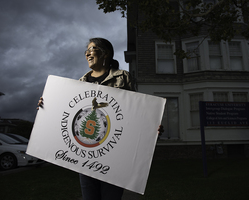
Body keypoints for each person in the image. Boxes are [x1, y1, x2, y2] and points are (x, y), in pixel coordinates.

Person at [37, 37, 163, 200]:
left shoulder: (122, 77)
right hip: (86, 155)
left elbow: (136, 113)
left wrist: (150, 127)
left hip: (114, 156)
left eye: (92, 49)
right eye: (86, 50)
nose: (88, 53)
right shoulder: (80, 83)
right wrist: (47, 106)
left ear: (106, 54)